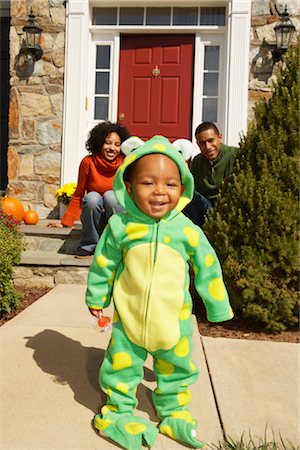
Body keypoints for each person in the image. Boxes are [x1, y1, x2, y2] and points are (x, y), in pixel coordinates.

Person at [86, 135, 234, 450]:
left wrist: (217, 304)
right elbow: (104, 264)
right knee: (120, 369)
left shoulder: (186, 230)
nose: (159, 191)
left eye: (170, 184)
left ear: (183, 189)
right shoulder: (120, 227)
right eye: (148, 182)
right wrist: (97, 298)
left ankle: (174, 411)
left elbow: (208, 266)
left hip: (174, 323)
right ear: (128, 186)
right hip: (130, 322)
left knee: (177, 370)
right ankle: (119, 411)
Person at [48, 121, 130, 258]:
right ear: (99, 143)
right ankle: (89, 245)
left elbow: (131, 193)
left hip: (116, 214)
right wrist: (65, 222)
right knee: (92, 197)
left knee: (111, 195)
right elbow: (78, 193)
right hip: (94, 217)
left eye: (117, 144)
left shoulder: (125, 163)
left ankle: (117, 243)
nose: (112, 148)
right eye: (108, 143)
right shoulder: (88, 162)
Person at [191, 122, 239, 206]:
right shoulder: (197, 161)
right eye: (202, 143)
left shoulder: (235, 155)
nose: (208, 147)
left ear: (220, 138)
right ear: (198, 144)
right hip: (204, 206)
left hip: (229, 204)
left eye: (211, 140)